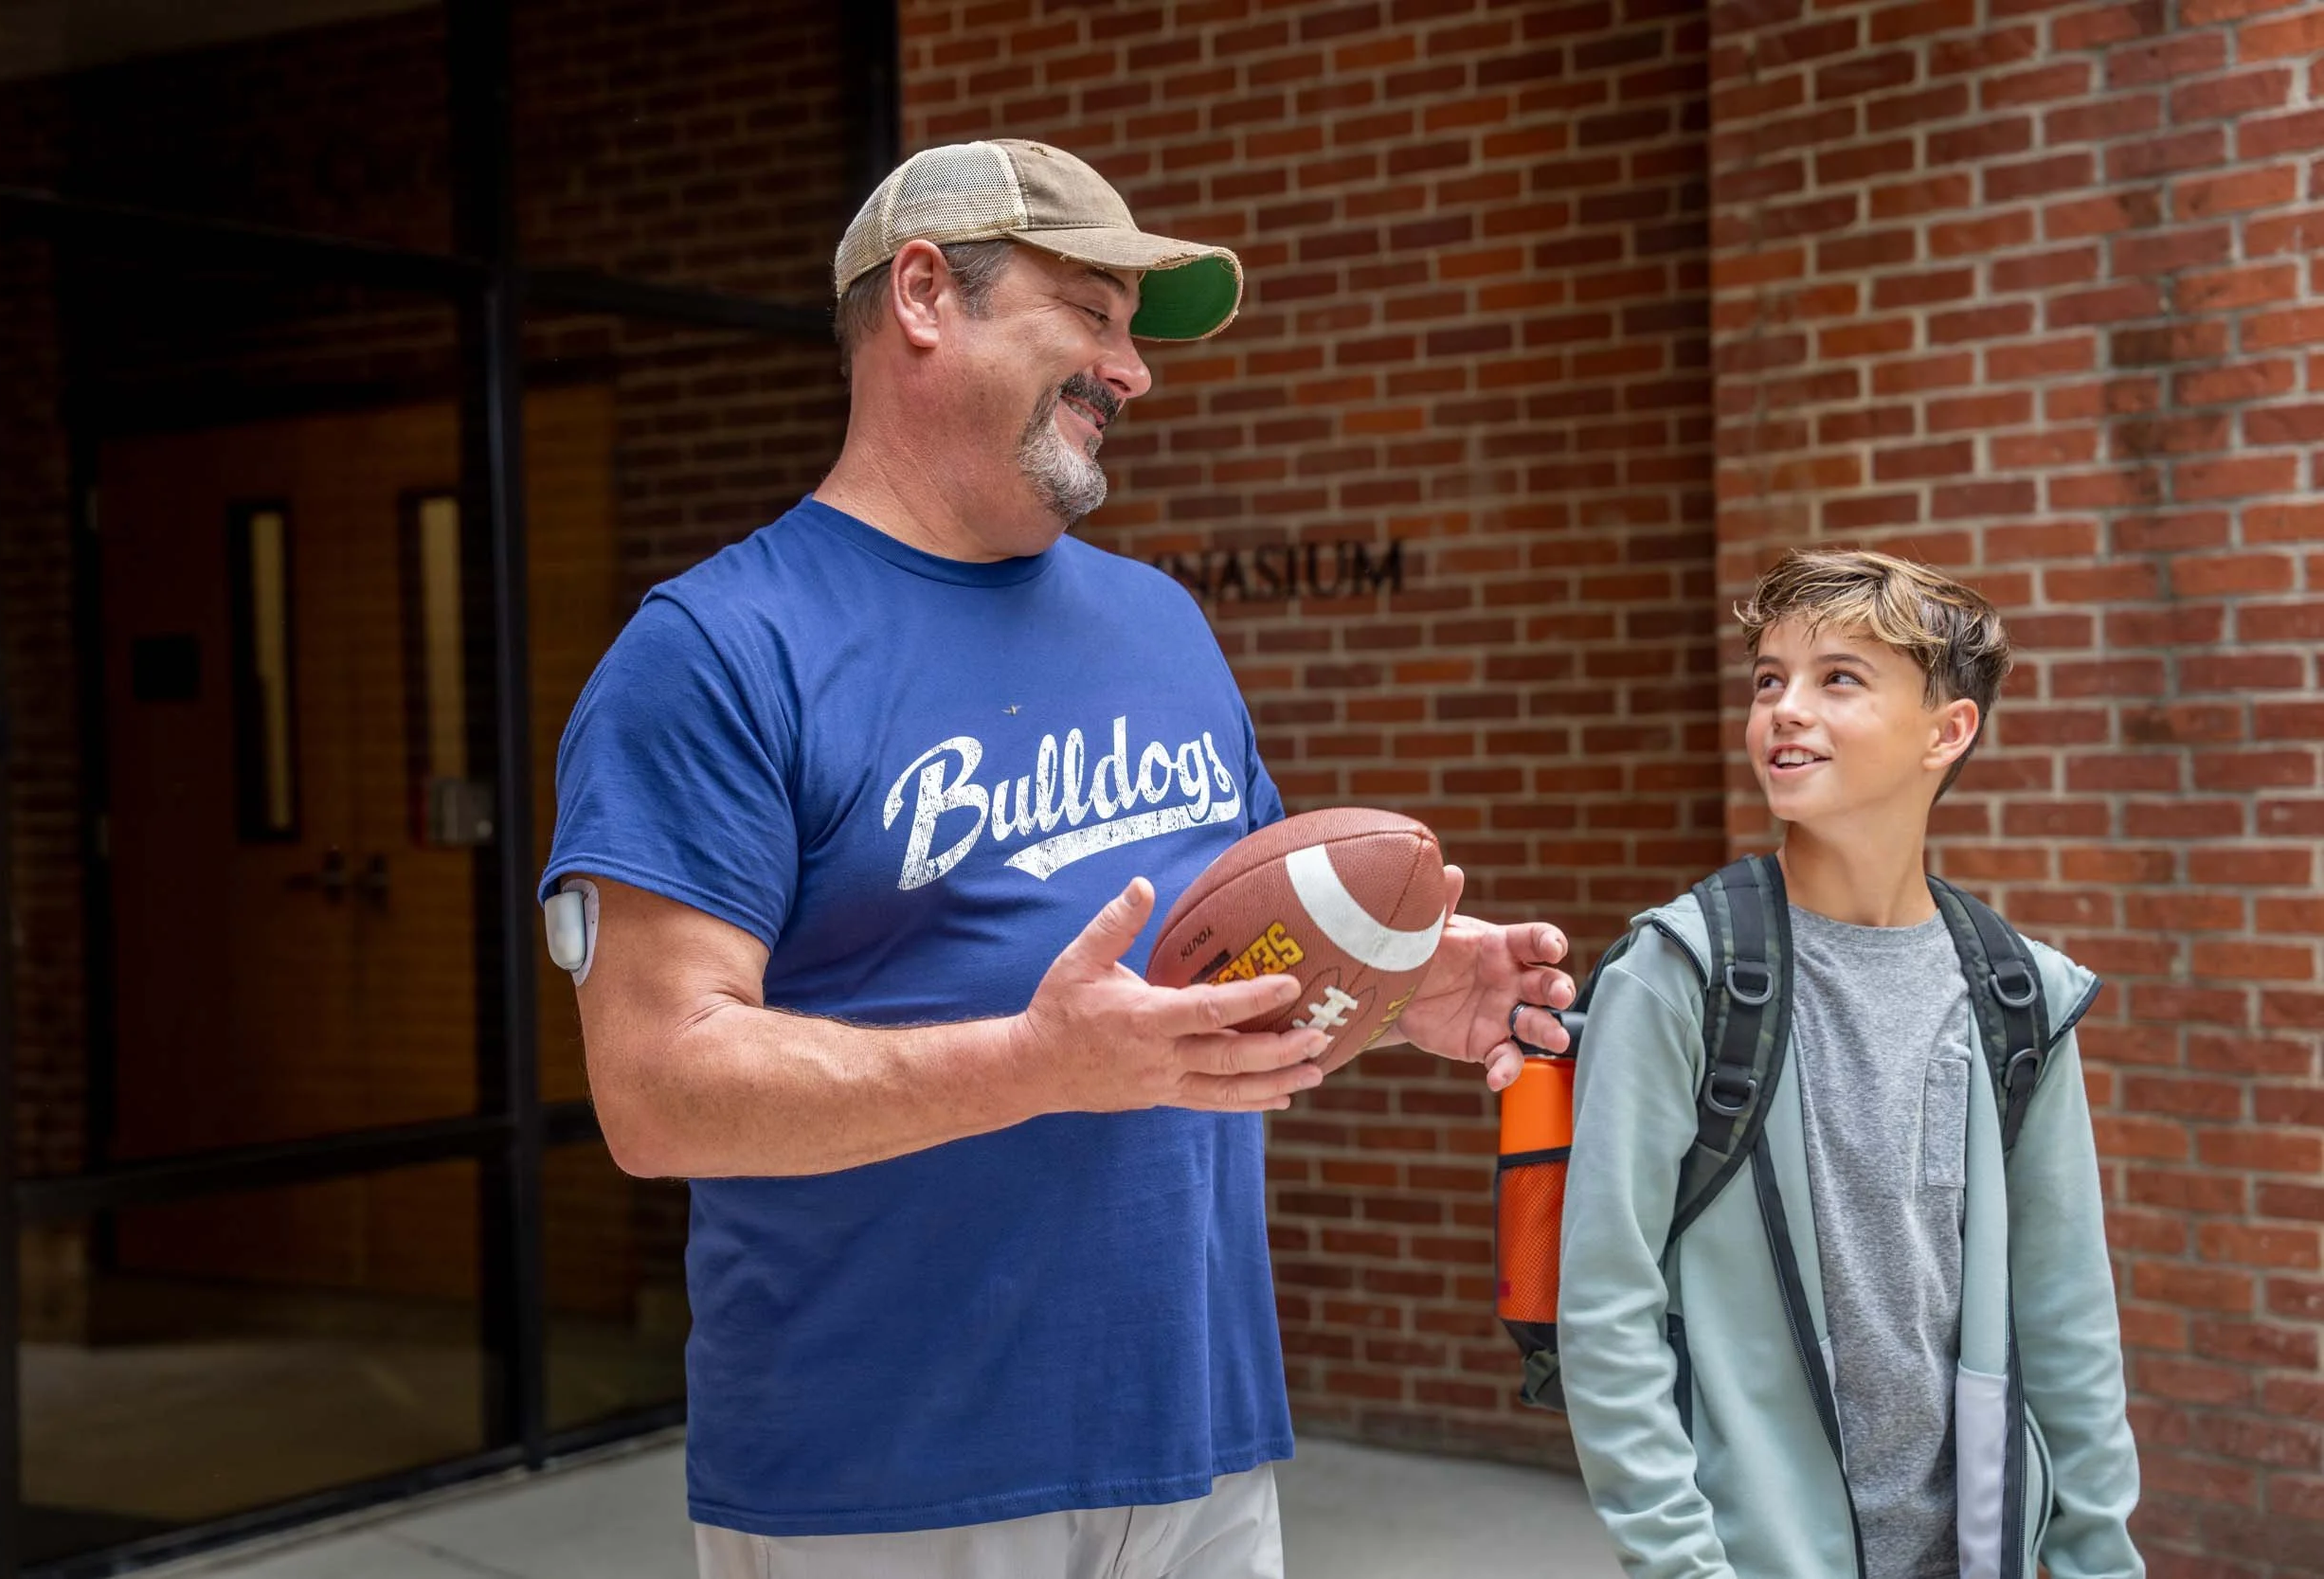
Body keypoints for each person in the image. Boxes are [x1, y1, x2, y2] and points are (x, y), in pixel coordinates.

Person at [538, 137, 1576, 1579]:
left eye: (1132, 333)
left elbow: (1197, 990)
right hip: (889, 1479)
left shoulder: (1162, 621)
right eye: (1089, 313)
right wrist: (1032, 1062)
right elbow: (657, 1092)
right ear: (922, 296)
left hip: (1201, 1442)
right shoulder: (717, 651)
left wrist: (1391, 987)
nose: (1131, 370)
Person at [1555, 549, 2142, 1579]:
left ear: (1946, 731)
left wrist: (2099, 1557)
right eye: (1768, 679)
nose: (1784, 708)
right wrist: (1681, 1562)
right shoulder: (1678, 972)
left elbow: (2068, 1314)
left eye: (1838, 678)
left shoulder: (2022, 997)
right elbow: (1606, 1307)